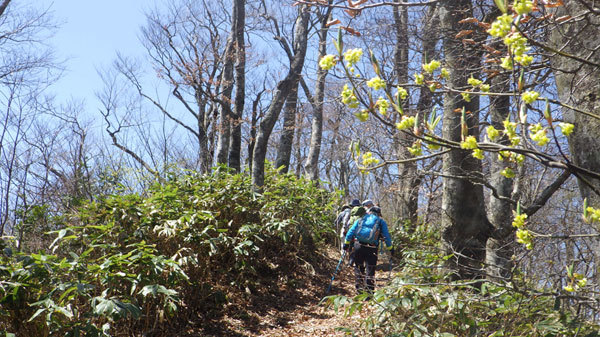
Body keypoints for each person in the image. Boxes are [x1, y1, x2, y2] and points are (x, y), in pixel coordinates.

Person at [343, 205, 393, 295]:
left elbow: (350, 232)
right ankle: (369, 294)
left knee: (358, 268)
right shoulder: (381, 221)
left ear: (369, 212)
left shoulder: (361, 219)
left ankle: (359, 291)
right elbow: (387, 236)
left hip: (358, 245)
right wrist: (391, 248)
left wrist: (346, 244)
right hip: (372, 248)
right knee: (370, 270)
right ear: (379, 214)